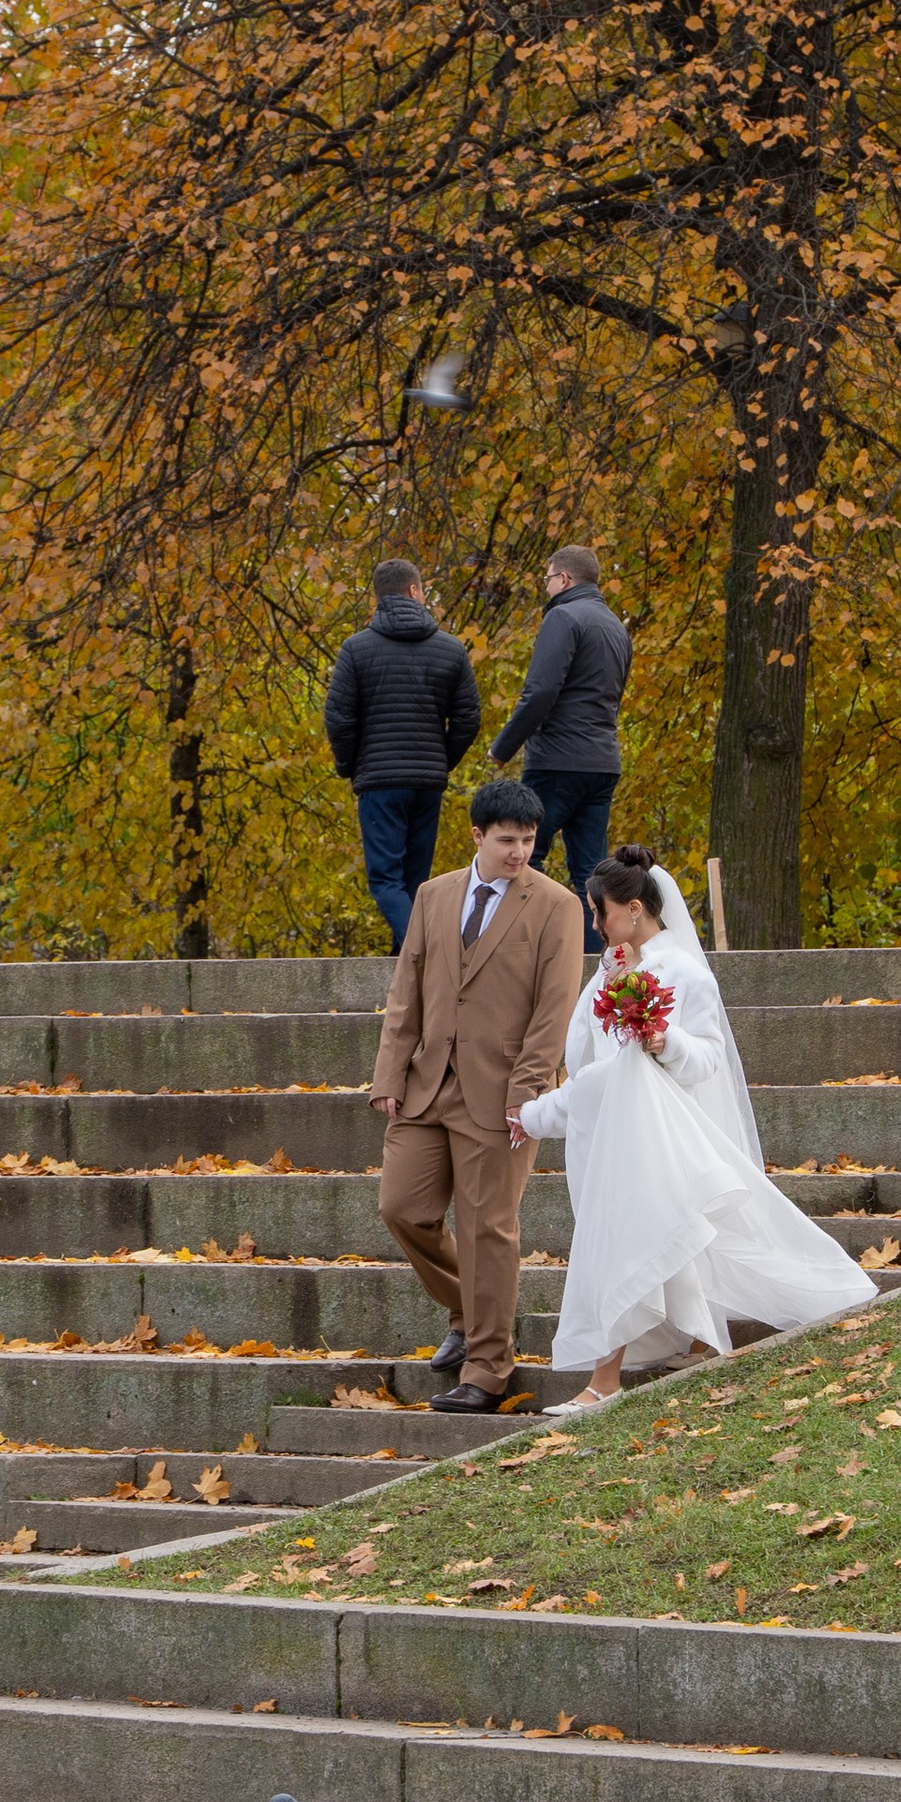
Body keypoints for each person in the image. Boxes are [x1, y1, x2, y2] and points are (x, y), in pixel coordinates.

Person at [516, 849, 877, 1411]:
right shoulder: (607, 974)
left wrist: (665, 1042)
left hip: (658, 1139)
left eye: (601, 912)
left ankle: (603, 1381)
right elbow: (592, 1071)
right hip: (609, 1135)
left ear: (634, 909)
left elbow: (707, 1058)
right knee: (643, 1241)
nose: (595, 924)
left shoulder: (684, 972)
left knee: (616, 1241)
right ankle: (697, 1341)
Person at [369, 777, 582, 1414]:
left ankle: (488, 1369)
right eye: (507, 840)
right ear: (477, 837)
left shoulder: (556, 905)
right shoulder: (432, 897)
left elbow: (555, 1006)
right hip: (426, 1085)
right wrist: (389, 1072)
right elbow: (406, 989)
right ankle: (468, 1309)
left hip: (503, 1094)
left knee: (490, 1228)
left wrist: (529, 1090)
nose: (520, 852)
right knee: (400, 1207)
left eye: (528, 841)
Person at [323, 558, 482, 949]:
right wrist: (440, 760)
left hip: (379, 781)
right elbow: (468, 718)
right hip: (427, 782)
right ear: (414, 591)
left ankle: (426, 950)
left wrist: (349, 765)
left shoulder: (356, 650)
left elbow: (339, 718)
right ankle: (406, 963)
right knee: (416, 881)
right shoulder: (450, 649)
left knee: (385, 880)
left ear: (379, 597)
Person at [487, 546, 633, 941]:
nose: (547, 587)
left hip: (557, 758)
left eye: (548, 579)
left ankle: (515, 947)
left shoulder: (563, 616)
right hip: (602, 761)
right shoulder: (616, 627)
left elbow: (540, 691)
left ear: (564, 579)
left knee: (522, 855)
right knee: (591, 872)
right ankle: (597, 963)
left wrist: (503, 747)